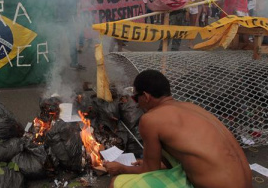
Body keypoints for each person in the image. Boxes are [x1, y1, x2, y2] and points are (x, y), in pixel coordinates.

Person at [104, 70, 252, 188]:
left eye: (136, 98)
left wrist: (121, 168)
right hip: (244, 183)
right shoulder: (191, 107)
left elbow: (150, 171)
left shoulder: (151, 119)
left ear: (146, 96)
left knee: (119, 183)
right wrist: (151, 163)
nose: (136, 104)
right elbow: (187, 152)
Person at [53, 0, 84, 70]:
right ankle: (56, 66)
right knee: (57, 43)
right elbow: (55, 0)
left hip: (68, 17)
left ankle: (74, 63)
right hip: (57, 18)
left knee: (71, 41)